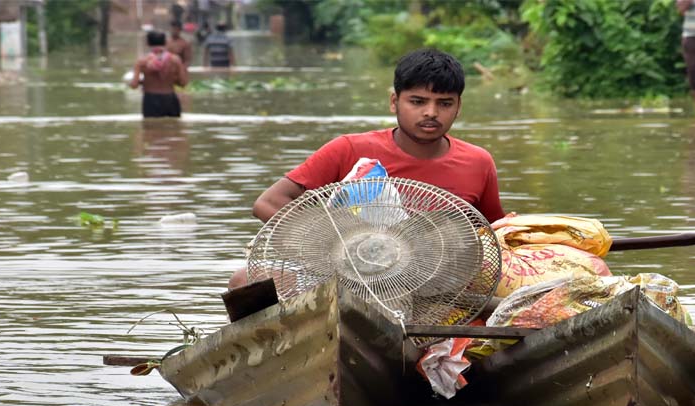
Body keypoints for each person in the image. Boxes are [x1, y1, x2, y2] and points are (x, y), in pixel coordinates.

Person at [229, 48, 505, 289]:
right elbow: (268, 203)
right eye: (417, 102)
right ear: (394, 102)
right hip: (342, 273)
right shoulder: (348, 149)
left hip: (434, 286)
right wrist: (336, 246)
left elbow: (495, 233)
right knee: (244, 281)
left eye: (444, 103)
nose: (431, 113)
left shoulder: (477, 162)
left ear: (458, 107)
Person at [128, 31, 188, 118]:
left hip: (151, 100)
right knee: (174, 130)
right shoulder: (175, 60)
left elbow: (134, 85)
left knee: (151, 129)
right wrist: (170, 80)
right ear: (165, 42)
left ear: (148, 43)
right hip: (170, 99)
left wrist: (143, 82)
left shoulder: (142, 62)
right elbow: (183, 83)